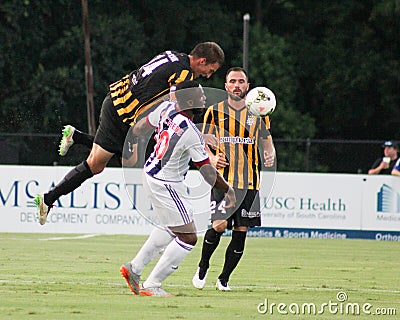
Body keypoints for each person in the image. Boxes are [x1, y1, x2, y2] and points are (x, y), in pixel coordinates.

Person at [35, 42, 225, 225]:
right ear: (202, 61)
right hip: (122, 114)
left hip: (120, 103)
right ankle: (48, 199)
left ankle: (76, 138)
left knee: (127, 161)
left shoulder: (174, 55)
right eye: (211, 70)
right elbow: (177, 109)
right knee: (97, 165)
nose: (208, 76)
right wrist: (200, 136)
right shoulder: (184, 74)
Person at [119, 81, 236, 296]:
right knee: (188, 237)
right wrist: (228, 191)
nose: (204, 97)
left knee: (171, 227)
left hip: (152, 173)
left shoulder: (166, 108)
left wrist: (131, 138)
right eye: (200, 95)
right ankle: (152, 285)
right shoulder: (191, 132)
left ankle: (134, 269)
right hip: (167, 183)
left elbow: (142, 126)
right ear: (190, 101)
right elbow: (207, 171)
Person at [192, 67, 276, 291]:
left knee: (241, 231)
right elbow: (202, 142)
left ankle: (224, 279)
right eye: (233, 81)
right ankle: (203, 266)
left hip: (250, 182)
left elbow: (266, 140)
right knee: (219, 226)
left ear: (247, 86)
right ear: (226, 86)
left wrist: (270, 152)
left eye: (241, 81)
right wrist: (211, 157)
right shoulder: (214, 111)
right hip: (223, 181)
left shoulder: (258, 112)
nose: (237, 85)